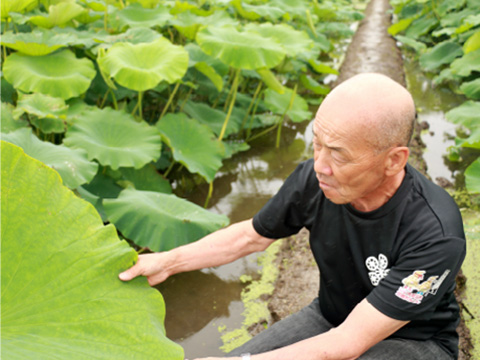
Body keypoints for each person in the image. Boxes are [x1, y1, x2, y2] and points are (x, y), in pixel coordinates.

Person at [119, 73, 466, 360]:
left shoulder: (434, 233)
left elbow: (347, 343)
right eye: (317, 144)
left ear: (394, 160)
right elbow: (250, 236)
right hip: (330, 317)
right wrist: (167, 262)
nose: (320, 166)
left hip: (415, 342)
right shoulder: (315, 180)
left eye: (338, 155)